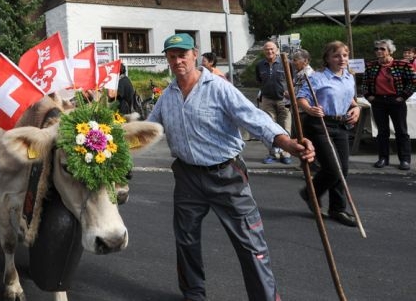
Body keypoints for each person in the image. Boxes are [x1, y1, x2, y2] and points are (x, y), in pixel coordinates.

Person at [147, 33, 315, 301]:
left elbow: (254, 118)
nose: (178, 60)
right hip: (187, 176)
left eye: (183, 54)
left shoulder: (217, 86)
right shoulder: (167, 95)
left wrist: (288, 143)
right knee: (186, 240)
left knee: (250, 244)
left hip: (227, 175)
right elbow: (150, 129)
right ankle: (193, 294)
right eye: (172, 56)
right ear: (167, 59)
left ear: (195, 55)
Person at [296, 41, 360, 227]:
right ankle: (310, 193)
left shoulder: (349, 77)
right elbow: (301, 98)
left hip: (341, 125)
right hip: (320, 125)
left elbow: (352, 101)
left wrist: (356, 111)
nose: (342, 59)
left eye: (344, 55)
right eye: (336, 56)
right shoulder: (317, 78)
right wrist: (310, 110)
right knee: (333, 168)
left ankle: (337, 209)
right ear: (328, 59)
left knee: (343, 169)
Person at [362, 39, 415, 171]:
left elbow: (413, 82)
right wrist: (369, 96)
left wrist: (402, 97)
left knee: (401, 131)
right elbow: (364, 83)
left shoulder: (402, 64)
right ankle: (383, 158)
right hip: (379, 101)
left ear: (390, 51)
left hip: (396, 101)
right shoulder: (371, 66)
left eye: (382, 49)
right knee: (382, 131)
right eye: (377, 49)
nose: (379, 51)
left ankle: (404, 160)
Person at [255, 41, 293, 164]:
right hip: (267, 100)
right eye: (267, 49)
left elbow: (293, 79)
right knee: (269, 128)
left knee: (285, 126)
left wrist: (290, 92)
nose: (269, 52)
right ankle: (273, 153)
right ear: (263, 51)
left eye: (272, 49)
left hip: (284, 100)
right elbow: (259, 81)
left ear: (277, 49)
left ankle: (285, 154)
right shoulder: (260, 65)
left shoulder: (286, 63)